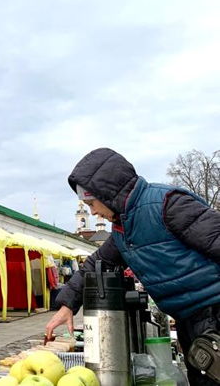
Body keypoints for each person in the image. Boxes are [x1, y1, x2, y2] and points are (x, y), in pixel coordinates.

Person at [45, 148, 220, 386]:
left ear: (108, 194)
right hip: (188, 317)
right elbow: (98, 262)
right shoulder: (122, 228)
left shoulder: (167, 204)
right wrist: (67, 304)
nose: (93, 211)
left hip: (213, 311)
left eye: (92, 202)